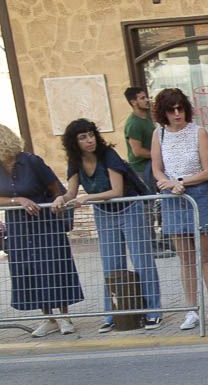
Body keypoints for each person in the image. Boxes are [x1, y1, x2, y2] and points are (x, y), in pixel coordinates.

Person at [56, 118, 163, 331]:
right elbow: (71, 191)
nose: (89, 140)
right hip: (104, 212)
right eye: (83, 137)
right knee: (111, 265)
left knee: (142, 261)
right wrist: (61, 199)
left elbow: (117, 191)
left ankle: (153, 312)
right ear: (74, 142)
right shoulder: (75, 162)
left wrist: (87, 198)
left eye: (91, 134)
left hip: (129, 208)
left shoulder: (108, 155)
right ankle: (113, 315)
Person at [150, 88, 208, 330]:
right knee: (185, 258)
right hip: (172, 198)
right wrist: (169, 184)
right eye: (172, 110)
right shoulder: (158, 134)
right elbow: (157, 168)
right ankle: (191, 310)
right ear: (164, 112)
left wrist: (182, 182)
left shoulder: (198, 132)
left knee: (206, 255)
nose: (177, 113)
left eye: (181, 108)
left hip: (198, 194)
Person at [0, 124, 82, 336]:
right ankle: (49, 318)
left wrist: (58, 203)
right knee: (29, 270)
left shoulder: (31, 161)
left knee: (53, 266)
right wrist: (16, 199)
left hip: (44, 223)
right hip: (18, 227)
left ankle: (65, 317)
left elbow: (56, 190)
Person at [123, 85, 174, 259]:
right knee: (148, 208)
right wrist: (158, 154)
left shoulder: (148, 118)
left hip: (154, 168)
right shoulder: (133, 123)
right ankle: (151, 246)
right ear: (133, 102)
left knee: (161, 205)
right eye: (142, 98)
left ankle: (167, 241)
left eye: (146, 97)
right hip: (140, 170)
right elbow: (136, 151)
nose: (146, 100)